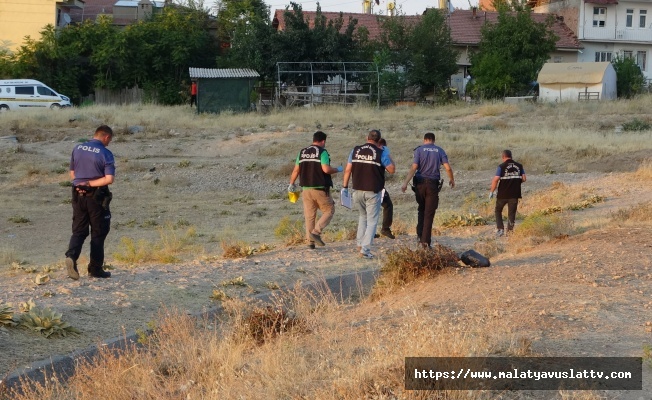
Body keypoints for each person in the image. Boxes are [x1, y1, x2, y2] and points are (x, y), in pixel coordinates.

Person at [65, 125, 115, 279]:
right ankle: (95, 269)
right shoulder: (105, 153)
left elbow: (73, 174)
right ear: (106, 137)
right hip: (96, 196)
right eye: (109, 140)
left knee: (79, 230)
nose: (109, 143)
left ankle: (71, 257)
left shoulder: (77, 148)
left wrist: (82, 184)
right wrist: (90, 184)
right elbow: (109, 179)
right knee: (99, 232)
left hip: (77, 194)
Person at [342, 129, 395, 259]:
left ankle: (360, 244)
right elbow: (392, 170)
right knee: (372, 221)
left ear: (367, 137)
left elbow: (348, 169)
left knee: (362, 217)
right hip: (372, 191)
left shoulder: (355, 150)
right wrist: (389, 156)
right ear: (379, 141)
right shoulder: (380, 152)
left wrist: (344, 186)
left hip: (357, 190)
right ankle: (365, 250)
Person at [288, 131, 343, 249]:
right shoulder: (322, 152)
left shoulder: (302, 152)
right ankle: (316, 233)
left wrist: (291, 183)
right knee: (329, 210)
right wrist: (338, 169)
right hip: (320, 188)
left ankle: (310, 242)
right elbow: (326, 169)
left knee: (310, 215)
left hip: (306, 189)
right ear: (323, 141)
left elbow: (296, 170)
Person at [401, 132, 454, 249]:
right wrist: (452, 179)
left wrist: (405, 183)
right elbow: (448, 168)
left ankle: (420, 236)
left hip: (419, 184)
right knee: (429, 214)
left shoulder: (419, 150)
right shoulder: (440, 150)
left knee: (421, 209)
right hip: (432, 185)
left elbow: (414, 167)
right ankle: (425, 243)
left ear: (424, 140)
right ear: (433, 140)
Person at [489, 149, 526, 236]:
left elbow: (496, 180)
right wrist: (516, 181)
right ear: (511, 156)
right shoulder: (519, 166)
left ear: (503, 157)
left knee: (498, 210)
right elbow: (524, 178)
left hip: (502, 194)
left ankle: (500, 229)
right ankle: (509, 232)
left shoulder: (501, 166)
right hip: (514, 194)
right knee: (511, 213)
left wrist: (491, 191)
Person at [375, 138, 395, 239]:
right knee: (388, 205)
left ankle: (369, 231)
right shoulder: (381, 154)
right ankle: (385, 228)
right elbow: (392, 169)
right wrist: (388, 155)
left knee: (369, 209)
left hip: (362, 185)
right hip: (377, 185)